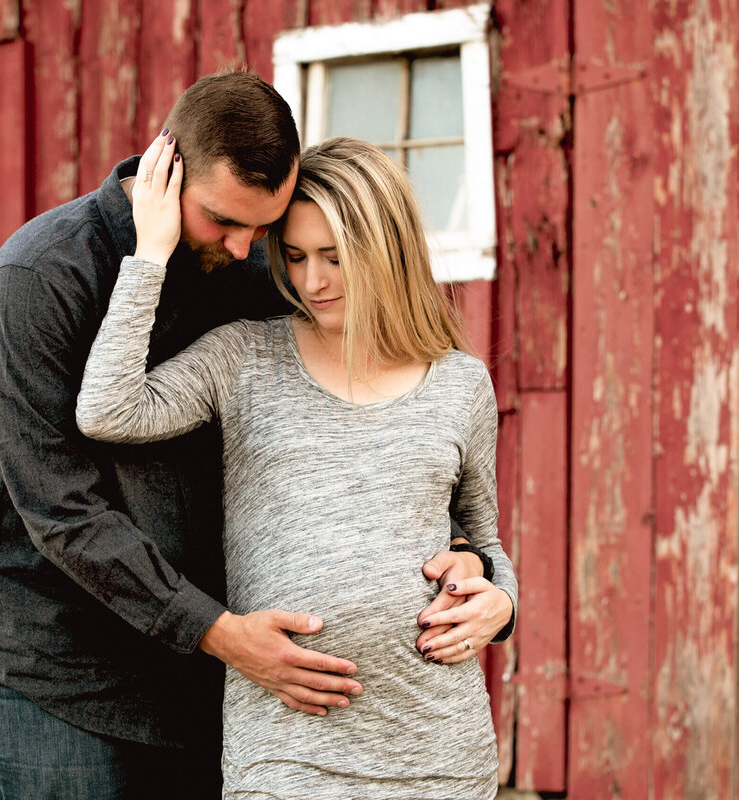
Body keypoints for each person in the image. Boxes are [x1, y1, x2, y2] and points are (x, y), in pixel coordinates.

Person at [0, 72, 511, 799]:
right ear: (165, 166)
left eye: (263, 228)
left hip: (208, 676)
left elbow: (358, 440)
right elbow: (61, 511)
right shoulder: (38, 280)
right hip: (62, 673)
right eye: (222, 222)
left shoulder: (260, 269)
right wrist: (215, 630)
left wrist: (475, 568)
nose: (249, 251)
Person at [75, 136, 518, 799]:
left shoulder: (460, 385)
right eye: (297, 256)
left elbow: (483, 541)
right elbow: (107, 410)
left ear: (386, 250)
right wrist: (150, 254)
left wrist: (500, 603)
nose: (313, 281)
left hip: (438, 753)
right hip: (286, 750)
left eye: (335, 258)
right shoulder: (244, 358)